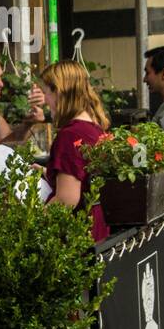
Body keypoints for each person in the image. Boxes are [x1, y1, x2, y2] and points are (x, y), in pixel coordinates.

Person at [39, 61, 109, 243]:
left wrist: (29, 224)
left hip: (78, 239)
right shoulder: (94, 127)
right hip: (98, 231)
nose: (45, 100)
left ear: (59, 92)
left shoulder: (70, 135)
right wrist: (47, 174)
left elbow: (66, 200)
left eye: (46, 92)